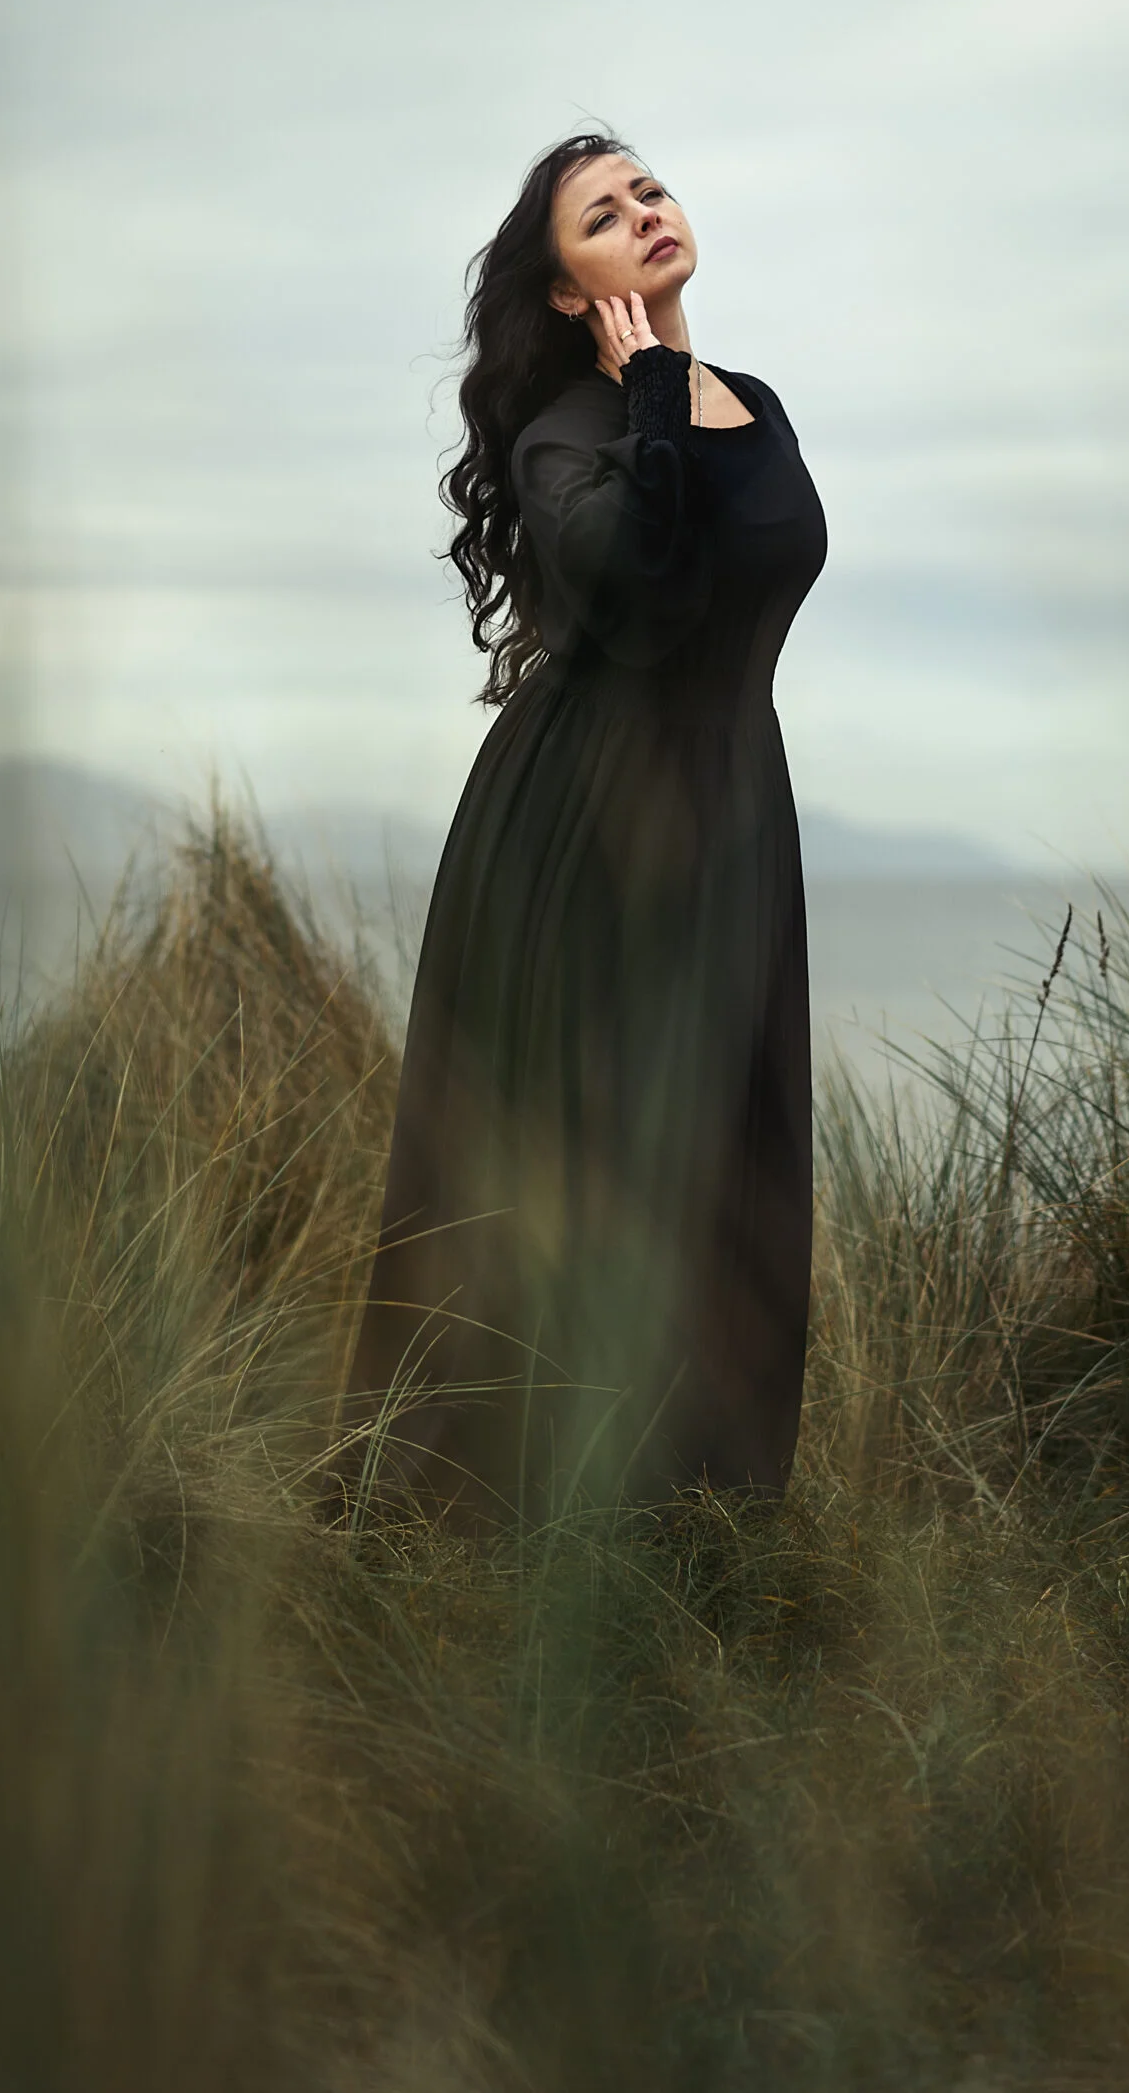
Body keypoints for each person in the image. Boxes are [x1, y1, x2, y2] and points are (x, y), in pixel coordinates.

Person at [336, 130, 828, 1527]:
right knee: (601, 1164)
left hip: (733, 812)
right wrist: (653, 398)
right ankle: (504, 1535)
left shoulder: (756, 403)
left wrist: (677, 394)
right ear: (567, 294)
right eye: (603, 218)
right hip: (589, 824)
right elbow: (640, 599)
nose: (644, 216)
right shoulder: (569, 434)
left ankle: (701, 1529)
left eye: (649, 191)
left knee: (726, 1163)